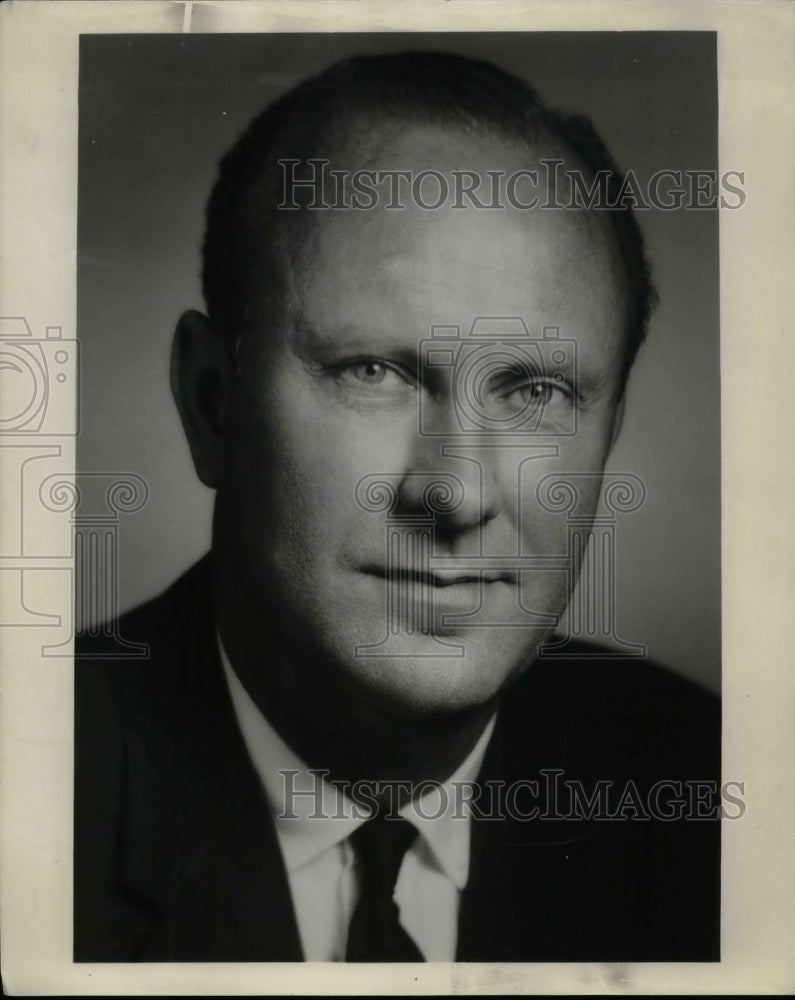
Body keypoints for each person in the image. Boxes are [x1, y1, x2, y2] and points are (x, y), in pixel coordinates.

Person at [74, 51, 720, 963]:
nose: (455, 494)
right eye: (371, 373)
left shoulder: (716, 794)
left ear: (609, 431)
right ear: (212, 402)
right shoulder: (34, 784)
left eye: (534, 391)